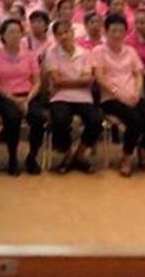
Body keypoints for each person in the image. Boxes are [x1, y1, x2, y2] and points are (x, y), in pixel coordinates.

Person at [92, 15, 145, 176]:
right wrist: (119, 94)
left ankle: (144, 149)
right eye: (113, 31)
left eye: (121, 31)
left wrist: (137, 92)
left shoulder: (130, 51)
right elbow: (99, 78)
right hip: (111, 98)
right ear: (105, 32)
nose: (117, 34)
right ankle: (127, 158)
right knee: (135, 121)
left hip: (133, 95)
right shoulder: (98, 51)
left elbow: (139, 74)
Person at [0, 18, 45, 176]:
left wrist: (28, 99)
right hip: (4, 96)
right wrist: (13, 99)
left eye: (18, 32)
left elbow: (37, 81)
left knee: (38, 118)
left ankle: (32, 157)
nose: (15, 35)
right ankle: (12, 158)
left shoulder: (29, 55)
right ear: (3, 35)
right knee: (12, 117)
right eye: (11, 32)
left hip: (28, 95)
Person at [43, 20, 102, 174]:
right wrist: (78, 82)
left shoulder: (85, 53)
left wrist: (64, 82)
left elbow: (88, 80)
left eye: (66, 32)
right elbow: (56, 81)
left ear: (72, 32)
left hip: (84, 98)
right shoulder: (51, 53)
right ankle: (67, 154)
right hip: (60, 97)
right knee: (60, 120)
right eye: (59, 34)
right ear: (55, 37)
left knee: (96, 120)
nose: (64, 36)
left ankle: (79, 155)